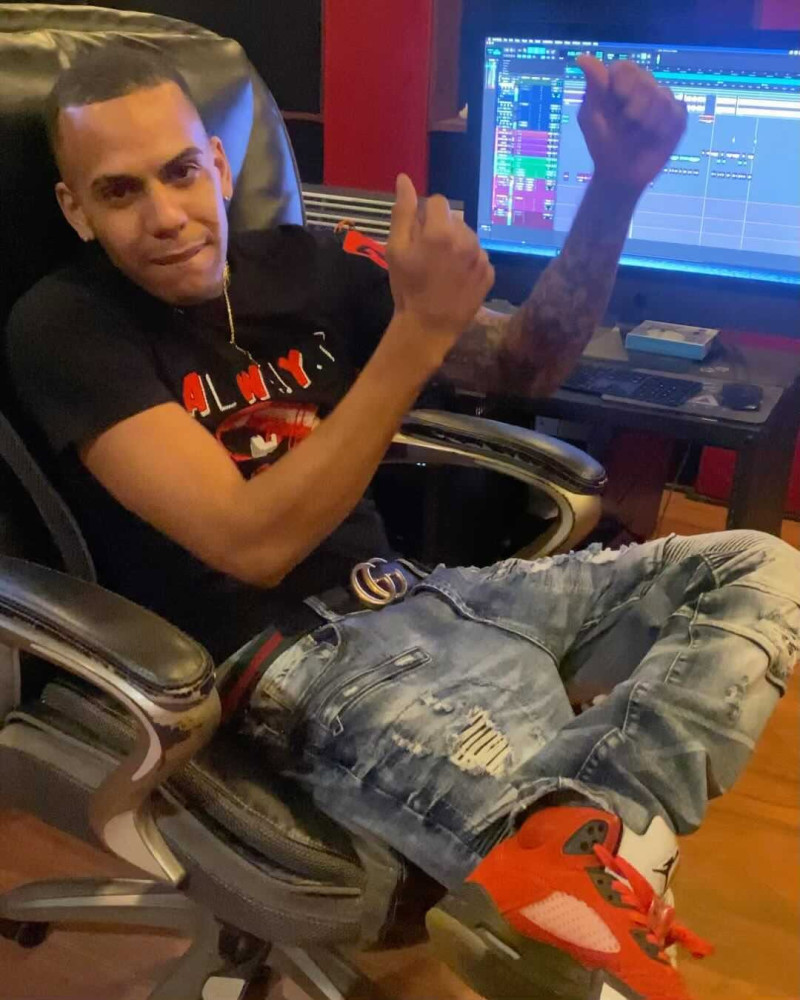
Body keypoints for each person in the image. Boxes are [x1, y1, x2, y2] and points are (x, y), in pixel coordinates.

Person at [6, 44, 799, 1000]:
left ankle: (599, 836)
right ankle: (589, 862)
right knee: (593, 958)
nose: (166, 215)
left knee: (757, 566)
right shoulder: (63, 326)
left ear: (216, 163)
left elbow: (524, 365)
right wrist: (416, 334)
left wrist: (613, 191)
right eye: (119, 191)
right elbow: (252, 544)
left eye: (179, 172)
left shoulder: (310, 264)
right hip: (288, 657)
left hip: (428, 596)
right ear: (75, 210)